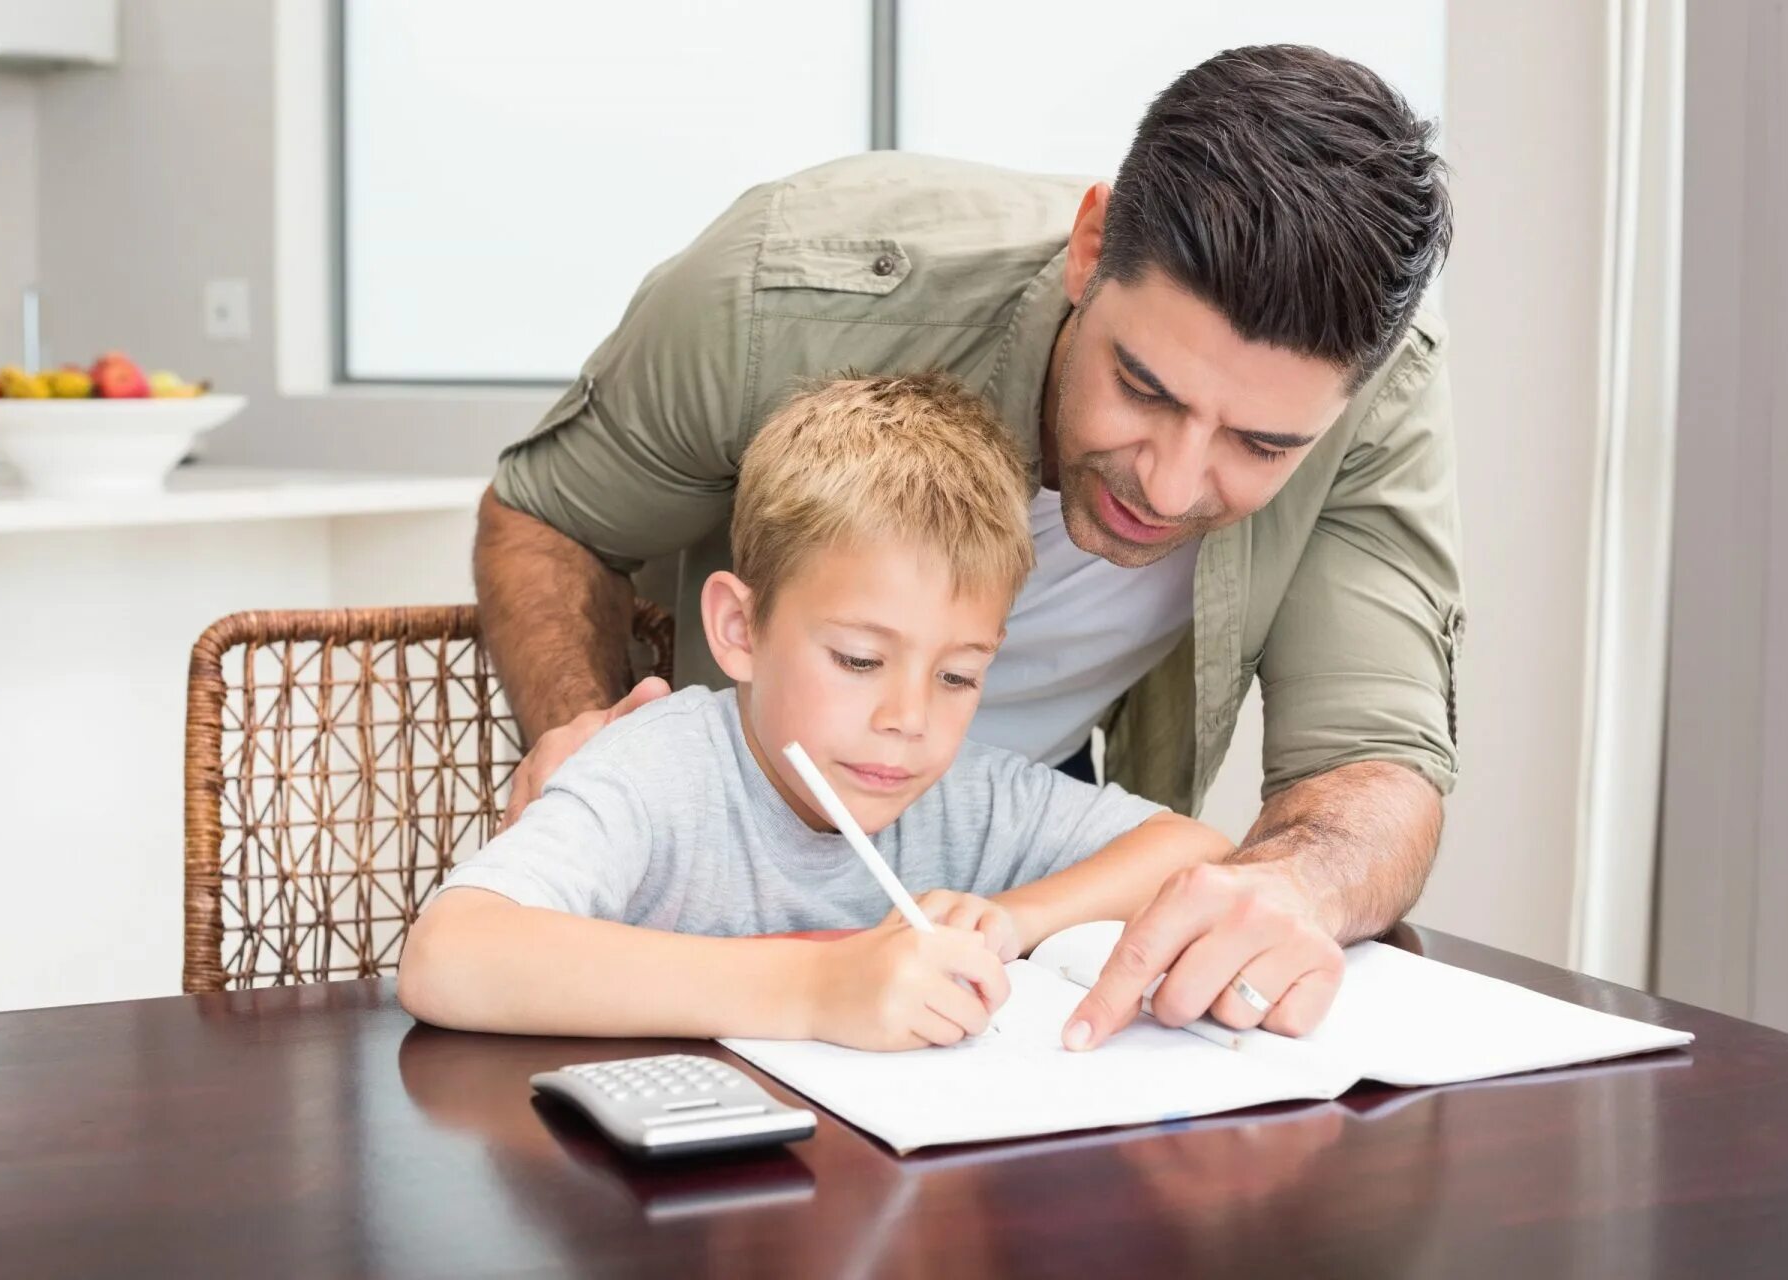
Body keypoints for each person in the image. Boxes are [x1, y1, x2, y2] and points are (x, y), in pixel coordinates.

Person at [474, 44, 1457, 1047]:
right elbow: (550, 515)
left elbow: (1373, 761)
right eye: (1145, 390)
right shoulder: (779, 290)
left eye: (1260, 445)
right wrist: (592, 735)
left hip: (1007, 878)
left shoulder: (1378, 399)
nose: (1167, 487)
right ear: (1090, 247)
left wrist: (1289, 884)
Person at [402, 374, 1248, 1049]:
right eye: (858, 660)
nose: (909, 718)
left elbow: (1198, 854)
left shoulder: (958, 795)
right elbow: (449, 954)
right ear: (740, 629)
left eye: (957, 676)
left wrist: (1017, 919)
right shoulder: (654, 772)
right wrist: (815, 991)